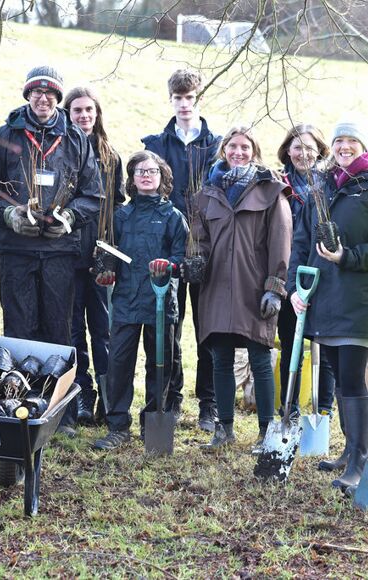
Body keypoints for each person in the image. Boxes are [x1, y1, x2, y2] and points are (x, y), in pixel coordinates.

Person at [0, 65, 102, 437]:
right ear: (27, 95)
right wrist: (9, 216)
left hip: (59, 250)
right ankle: (18, 409)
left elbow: (92, 194)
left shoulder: (75, 138)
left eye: (50, 93)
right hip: (16, 250)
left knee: (58, 330)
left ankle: (58, 414)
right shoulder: (6, 135)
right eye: (36, 92)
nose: (43, 98)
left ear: (58, 97)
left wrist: (70, 218)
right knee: (19, 329)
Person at [287, 118, 368, 491]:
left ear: (363, 146)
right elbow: (301, 242)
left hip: (358, 298)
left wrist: (346, 256)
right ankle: (349, 450)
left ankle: (359, 464)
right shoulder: (321, 188)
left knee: (352, 379)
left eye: (352, 140)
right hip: (324, 297)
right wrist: (294, 287)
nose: (344, 147)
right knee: (336, 373)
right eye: (339, 141)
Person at [193, 127, 292, 448]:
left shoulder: (271, 191)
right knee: (220, 358)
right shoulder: (207, 194)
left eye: (245, 147)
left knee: (260, 358)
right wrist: (194, 263)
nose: (238, 152)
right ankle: (224, 429)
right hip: (216, 288)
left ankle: (266, 432)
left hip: (255, 288)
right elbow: (199, 240)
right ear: (224, 150)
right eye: (233, 146)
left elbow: (281, 241)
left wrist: (275, 287)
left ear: (254, 151)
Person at [142, 69, 221, 431]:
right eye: (178, 98)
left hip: (207, 248)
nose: (184, 104)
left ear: (198, 98)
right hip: (169, 247)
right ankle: (171, 399)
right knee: (169, 327)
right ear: (170, 100)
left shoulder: (216, 145)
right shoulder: (156, 145)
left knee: (208, 329)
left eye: (190, 97)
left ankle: (209, 403)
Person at [93, 152, 187, 450]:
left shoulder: (173, 217)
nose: (146, 175)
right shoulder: (120, 216)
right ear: (131, 179)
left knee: (160, 364)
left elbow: (182, 259)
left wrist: (169, 266)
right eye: (140, 171)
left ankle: (154, 425)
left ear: (162, 177)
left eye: (152, 171)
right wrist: (105, 270)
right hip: (126, 301)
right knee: (119, 362)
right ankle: (118, 426)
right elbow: (107, 253)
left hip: (161, 302)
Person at [63, 86, 125, 424]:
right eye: (77, 110)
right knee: (73, 329)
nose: (84, 115)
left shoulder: (110, 157)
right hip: (67, 254)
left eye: (89, 110)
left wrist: (109, 252)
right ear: (67, 114)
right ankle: (81, 394)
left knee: (103, 329)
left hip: (100, 256)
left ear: (97, 113)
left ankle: (108, 395)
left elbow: (115, 207)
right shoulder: (60, 151)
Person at [275, 124, 337, 424]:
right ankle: (289, 411)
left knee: (324, 346)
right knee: (292, 343)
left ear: (321, 150)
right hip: (291, 272)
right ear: (288, 150)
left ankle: (323, 411)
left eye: (310, 147)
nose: (304, 153)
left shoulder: (331, 184)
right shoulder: (277, 184)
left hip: (323, 271)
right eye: (297, 147)